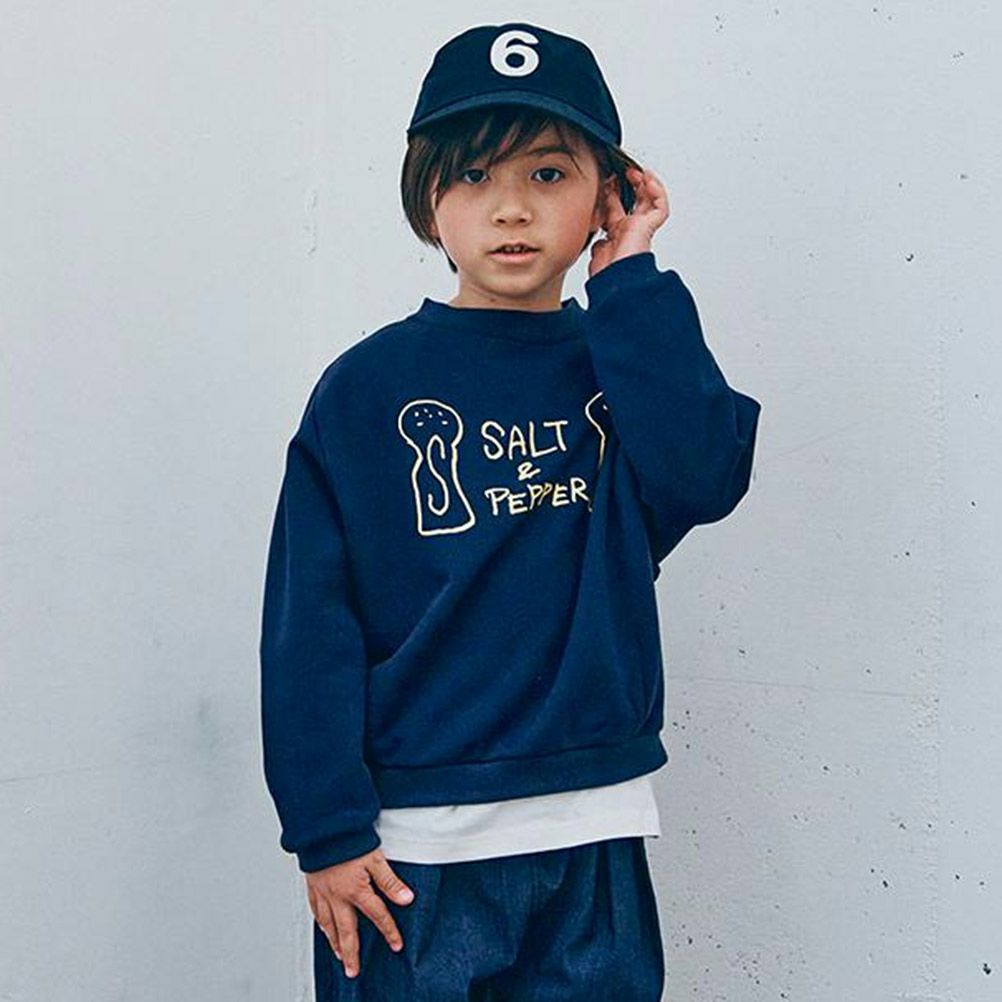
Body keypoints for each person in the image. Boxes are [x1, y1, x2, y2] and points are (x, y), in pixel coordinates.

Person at [259, 21, 762, 1001]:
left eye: (548, 174)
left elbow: (704, 475)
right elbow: (307, 625)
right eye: (474, 176)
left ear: (609, 193)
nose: (511, 208)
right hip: (414, 847)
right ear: (427, 200)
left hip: (594, 825)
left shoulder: (626, 360)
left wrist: (630, 277)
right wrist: (326, 831)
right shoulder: (364, 390)